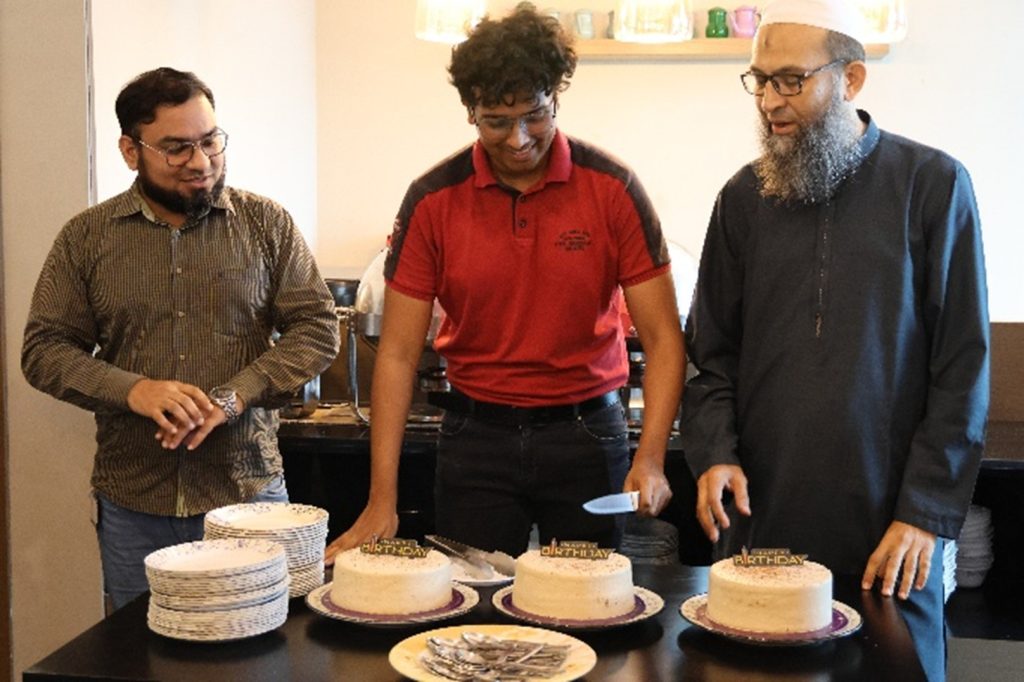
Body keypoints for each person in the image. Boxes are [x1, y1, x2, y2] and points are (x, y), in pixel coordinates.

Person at [680, 1, 989, 679]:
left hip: (889, 535)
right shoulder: (742, 199)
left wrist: (924, 513)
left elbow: (963, 367)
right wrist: (714, 455)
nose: (769, 101)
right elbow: (711, 357)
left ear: (850, 79)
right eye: (760, 81)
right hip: (763, 523)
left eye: (791, 80)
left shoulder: (933, 186)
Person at [326, 5, 685, 562]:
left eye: (534, 115)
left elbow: (663, 340)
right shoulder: (432, 200)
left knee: (587, 598)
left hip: (587, 433)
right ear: (470, 112)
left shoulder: (613, 188)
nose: (518, 139)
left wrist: (652, 457)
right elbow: (396, 355)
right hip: (476, 437)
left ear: (555, 98)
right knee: (473, 603)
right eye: (496, 120)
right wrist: (382, 498)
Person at [21, 67, 340, 610]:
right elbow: (44, 350)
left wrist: (235, 396)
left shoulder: (267, 224)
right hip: (134, 501)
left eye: (210, 141)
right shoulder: (86, 237)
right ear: (131, 151)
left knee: (266, 643)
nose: (200, 161)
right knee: (141, 648)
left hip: (248, 493)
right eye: (176, 149)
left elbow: (317, 327)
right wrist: (133, 390)